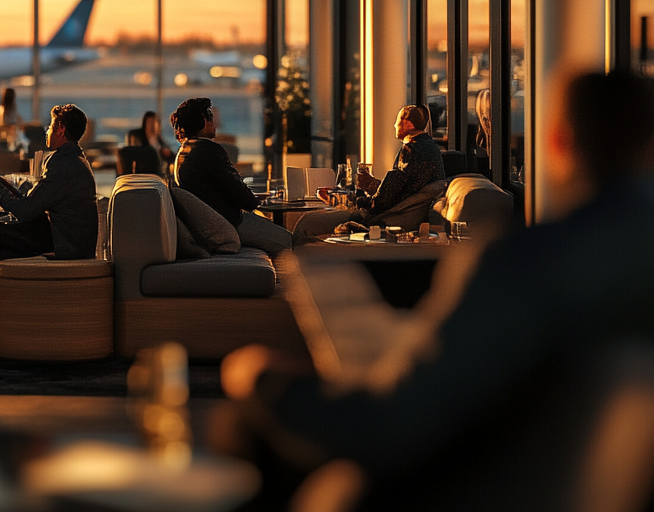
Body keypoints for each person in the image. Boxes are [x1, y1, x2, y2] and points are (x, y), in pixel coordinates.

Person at [217, 70, 654, 509]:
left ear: (557, 143)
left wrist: (265, 382)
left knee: (248, 423)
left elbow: (396, 420)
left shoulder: (525, 263)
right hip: (553, 474)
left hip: (471, 481)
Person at [0, 103, 99, 322]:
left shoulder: (63, 164)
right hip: (67, 238)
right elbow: (30, 200)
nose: (47, 131)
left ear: (61, 128)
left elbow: (23, 210)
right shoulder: (74, 159)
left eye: (50, 126)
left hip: (63, 245)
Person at [293, 104, 447, 240]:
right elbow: (404, 191)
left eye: (398, 121)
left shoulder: (409, 150)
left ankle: (302, 268)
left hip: (381, 220)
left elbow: (380, 204)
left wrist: (339, 201)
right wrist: (373, 185)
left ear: (407, 124)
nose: (394, 125)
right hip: (399, 215)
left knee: (307, 222)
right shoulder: (432, 149)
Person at [172, 98, 293, 252]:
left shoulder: (183, 152)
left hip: (213, 225)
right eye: (210, 117)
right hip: (231, 223)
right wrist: (255, 199)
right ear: (203, 119)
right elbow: (244, 198)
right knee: (293, 243)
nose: (214, 123)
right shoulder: (210, 150)